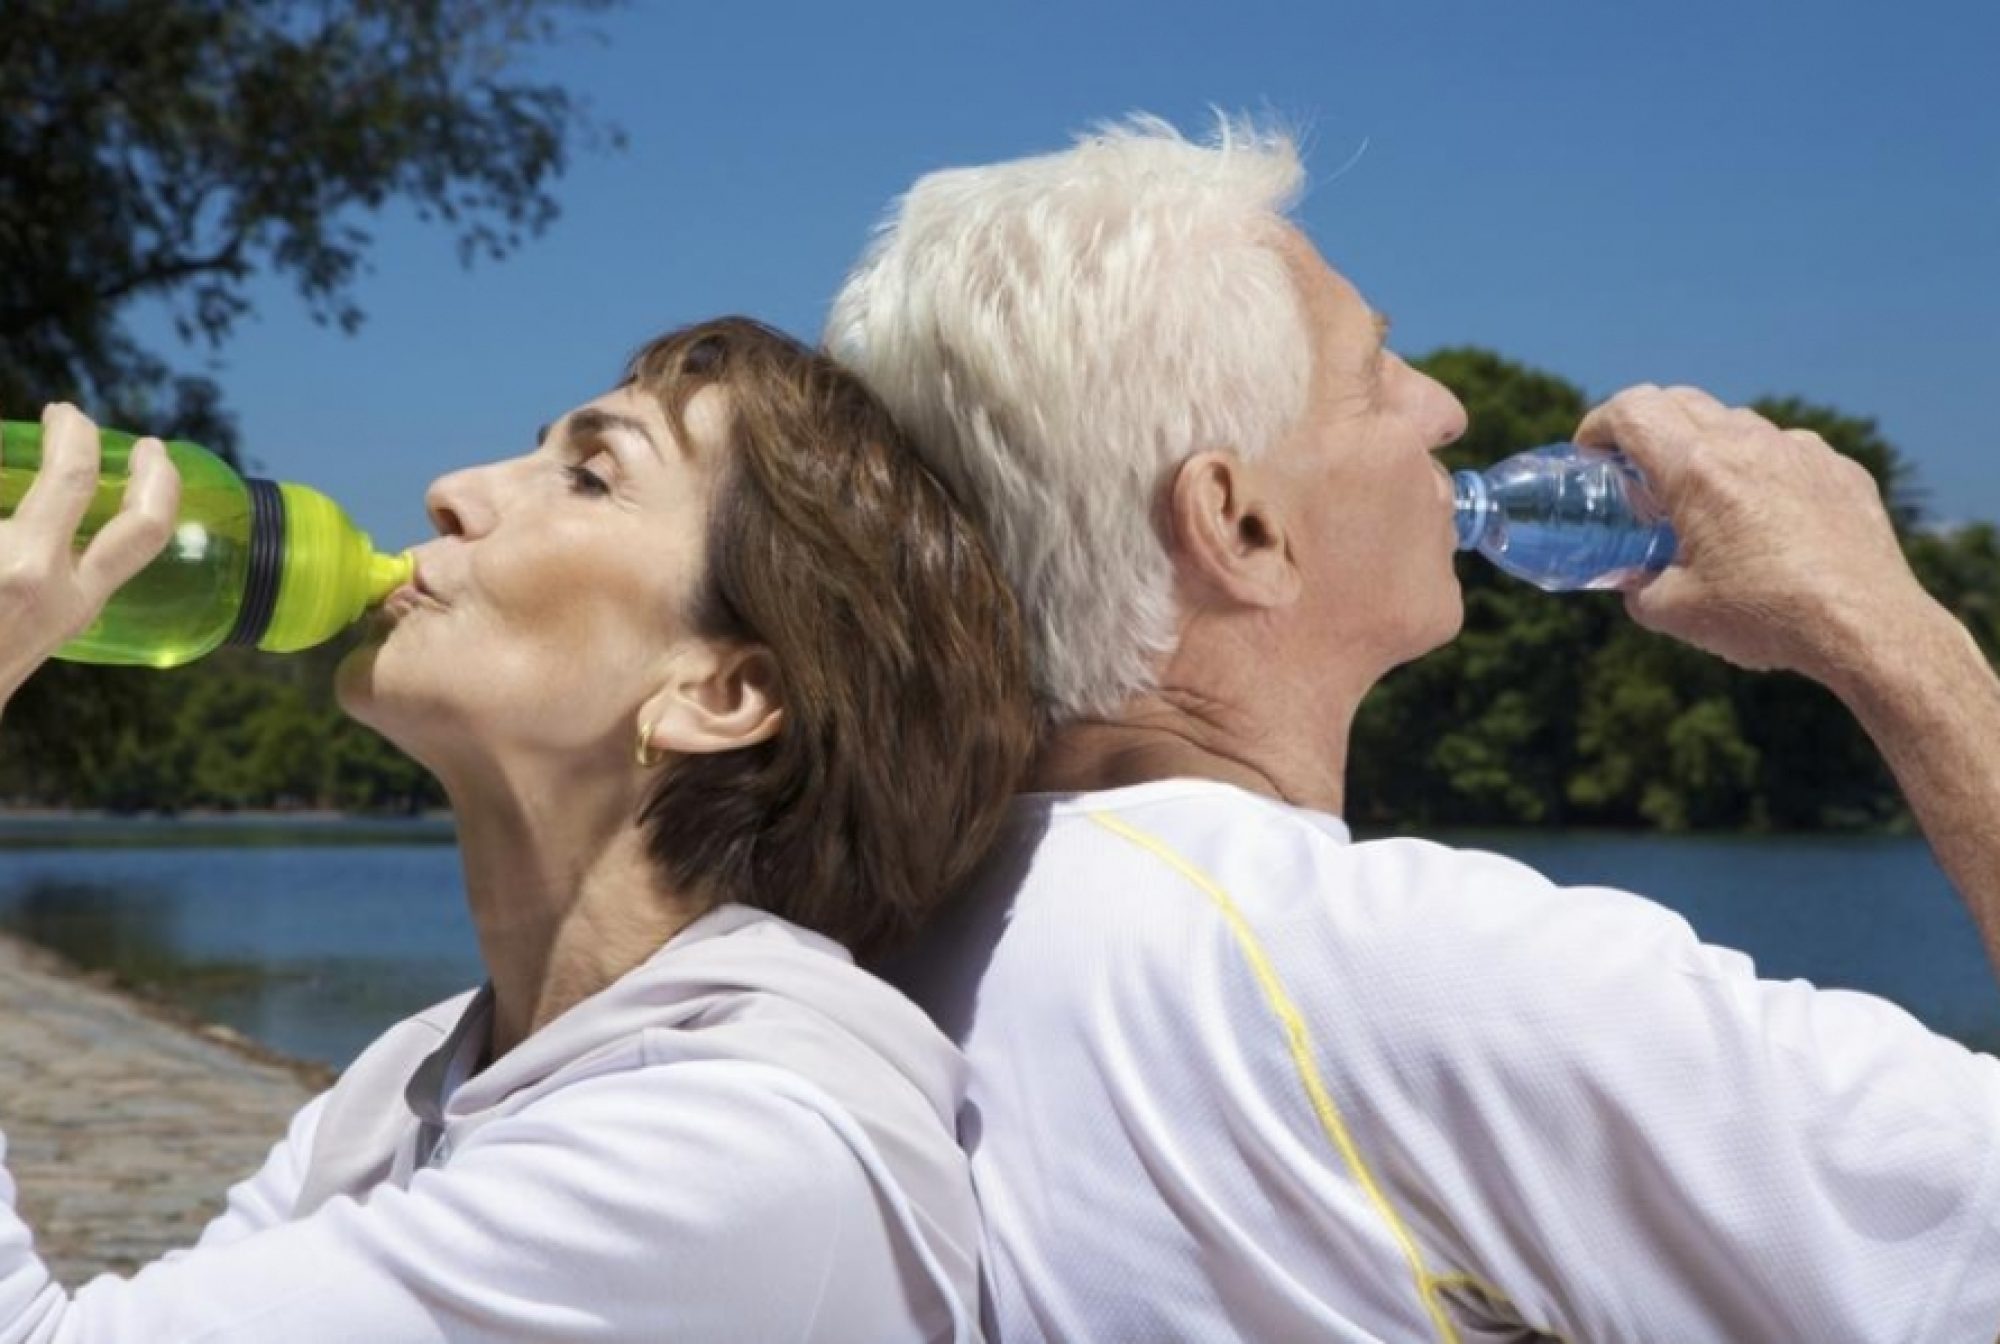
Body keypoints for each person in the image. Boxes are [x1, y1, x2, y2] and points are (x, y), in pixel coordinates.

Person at [826, 118, 2000, 1341]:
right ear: (1240, 530)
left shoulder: (891, 933)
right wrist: (1891, 635)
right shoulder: (1411, 976)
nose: (1441, 409)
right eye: (1374, 372)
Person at [0, 317, 1036, 1341]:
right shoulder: (413, 1085)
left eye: (590, 474)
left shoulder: (735, 1150)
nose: (451, 489)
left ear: (716, 693)